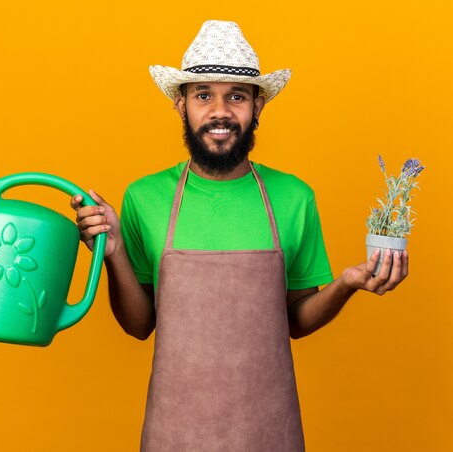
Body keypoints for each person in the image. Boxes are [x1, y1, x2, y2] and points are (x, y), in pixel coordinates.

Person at [71, 20, 408, 452]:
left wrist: (346, 285)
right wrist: (112, 252)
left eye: (236, 96)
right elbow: (138, 326)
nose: (220, 111)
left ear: (258, 105)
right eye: (203, 95)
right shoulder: (144, 197)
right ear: (181, 105)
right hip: (175, 435)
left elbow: (296, 322)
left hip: (270, 432)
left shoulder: (293, 197)